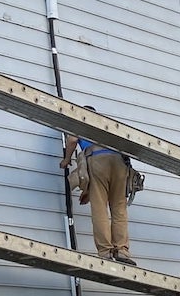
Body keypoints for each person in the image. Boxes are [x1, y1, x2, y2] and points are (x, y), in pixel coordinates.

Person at [61, 108, 135, 266]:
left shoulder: (81, 120)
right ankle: (122, 251)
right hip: (120, 161)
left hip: (97, 159)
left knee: (100, 208)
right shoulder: (106, 123)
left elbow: (72, 140)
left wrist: (66, 160)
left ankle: (105, 252)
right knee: (119, 209)